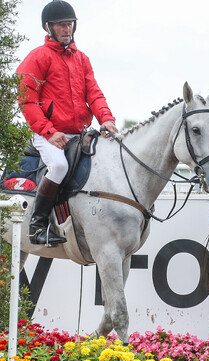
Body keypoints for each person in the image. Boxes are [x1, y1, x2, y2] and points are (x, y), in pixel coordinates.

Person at [16, 0, 118, 246]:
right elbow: (26, 100)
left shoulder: (81, 59)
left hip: (78, 132)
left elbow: (93, 93)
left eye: (69, 24)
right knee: (59, 167)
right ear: (48, 28)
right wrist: (49, 132)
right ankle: (37, 226)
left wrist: (107, 119)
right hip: (47, 134)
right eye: (61, 25)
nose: (67, 29)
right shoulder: (37, 57)